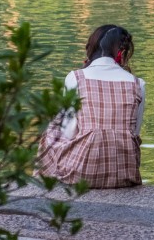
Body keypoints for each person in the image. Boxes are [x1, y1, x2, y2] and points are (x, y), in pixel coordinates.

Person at [36, 24, 146, 188]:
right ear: (122, 53)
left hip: (82, 172)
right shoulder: (138, 84)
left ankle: (41, 186)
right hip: (124, 172)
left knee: (53, 127)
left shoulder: (76, 77)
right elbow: (134, 133)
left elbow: (69, 131)